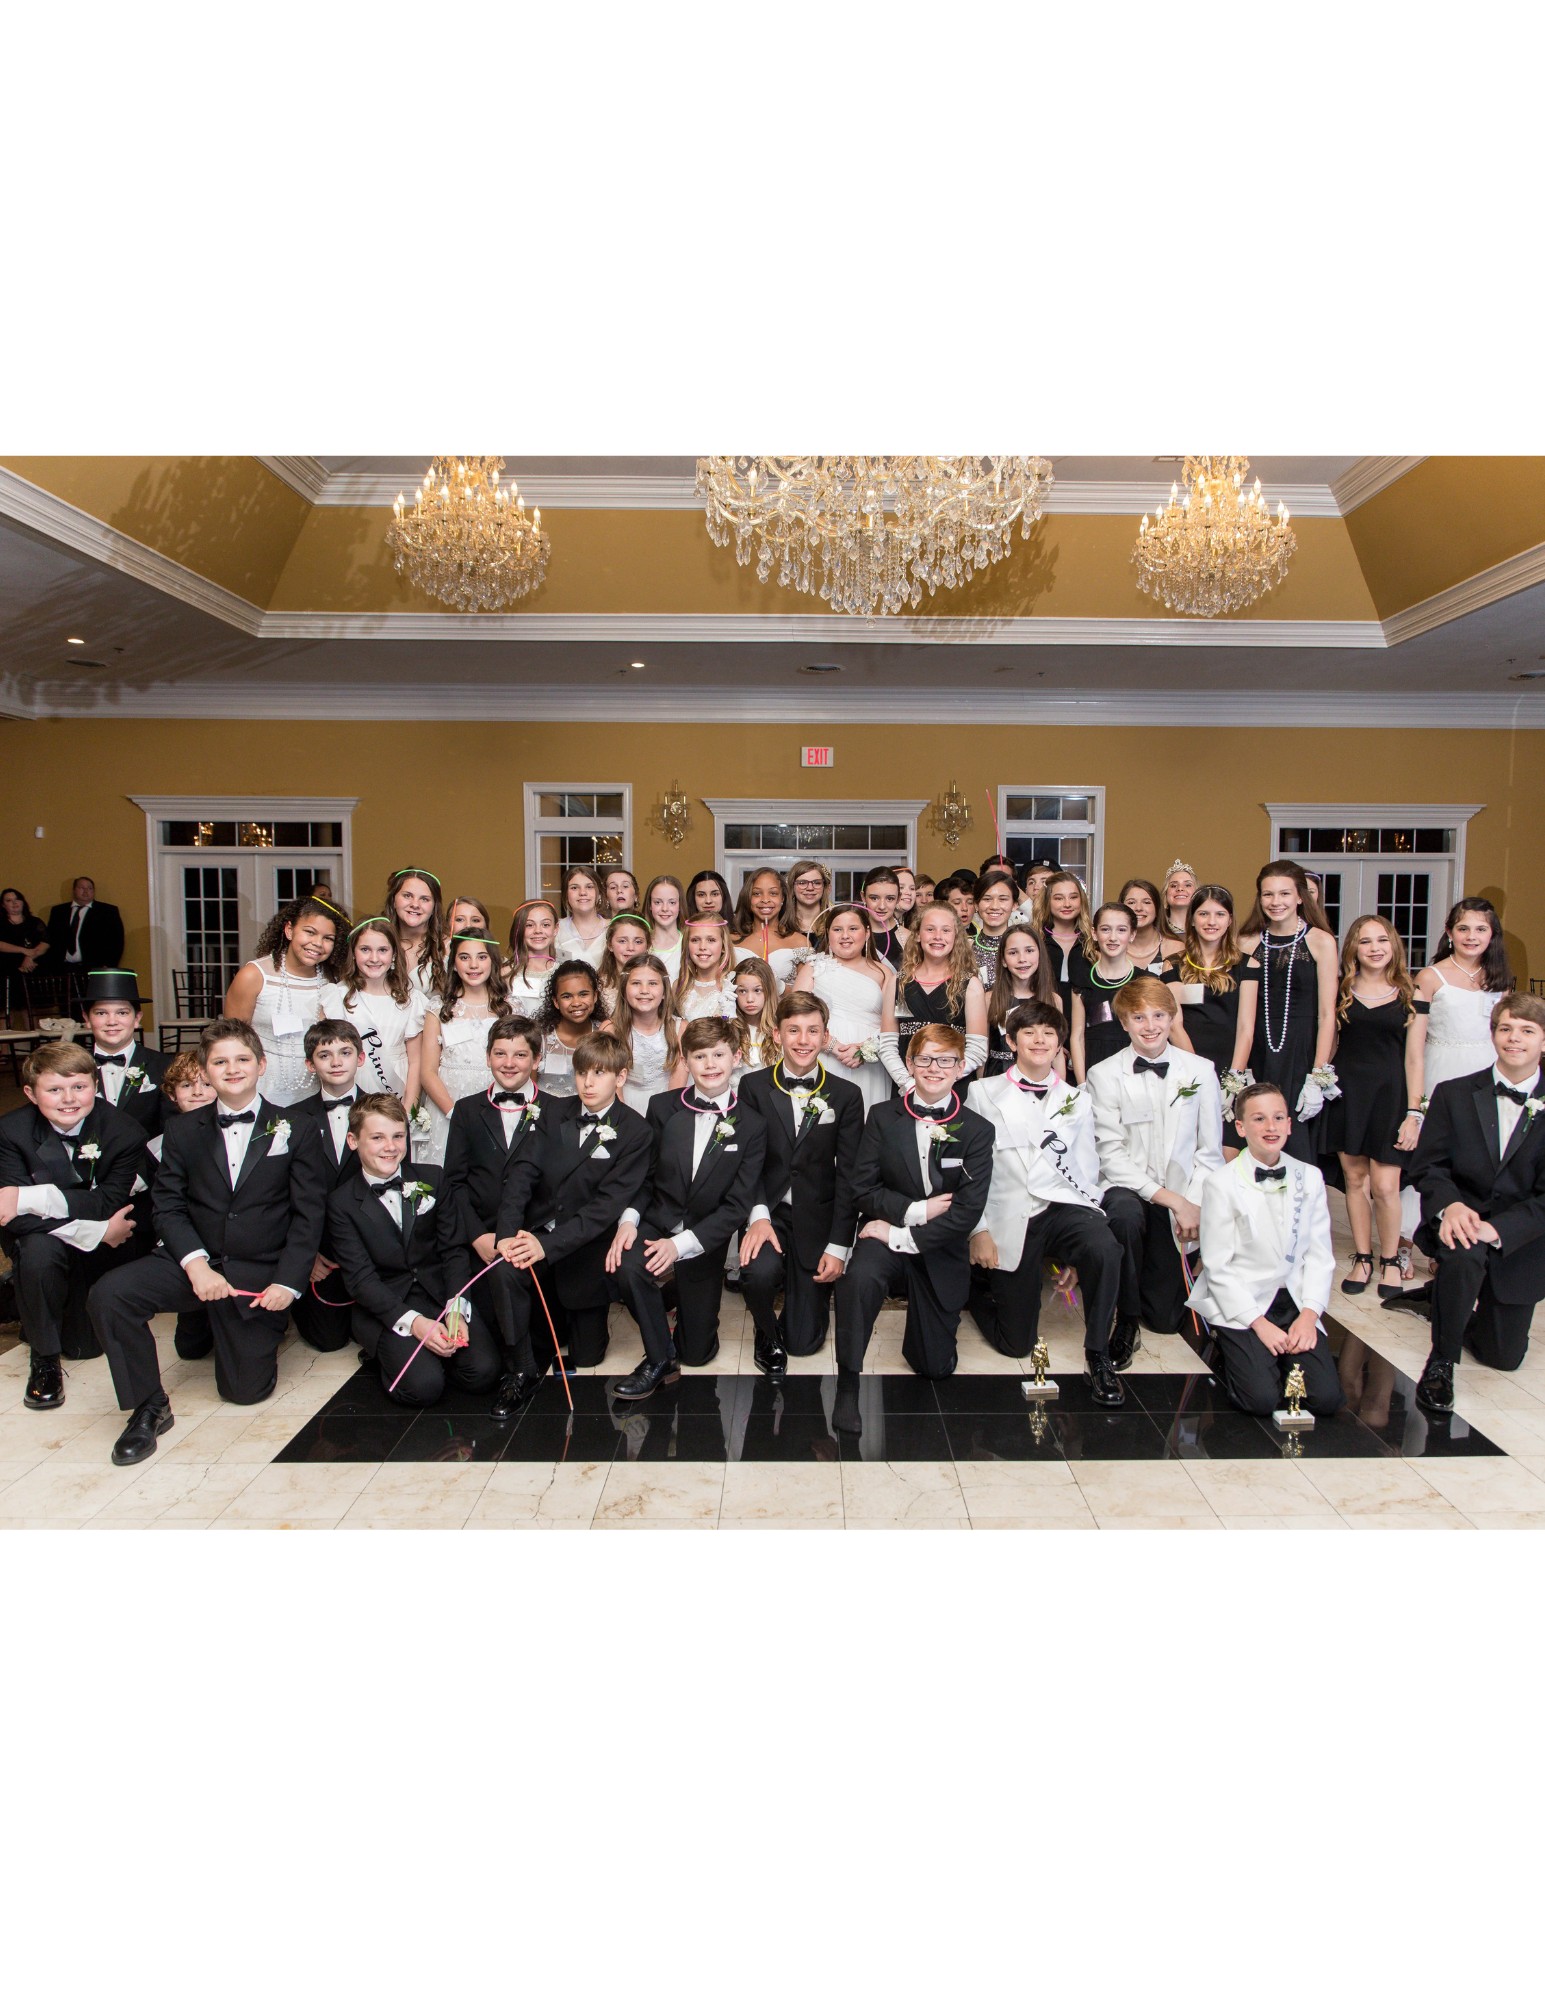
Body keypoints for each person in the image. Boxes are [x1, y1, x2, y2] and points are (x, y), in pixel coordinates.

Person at [88, 1018, 329, 1464]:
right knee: (110, 1295)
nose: (232, 1069)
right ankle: (148, 1406)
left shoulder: (296, 1126)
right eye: (220, 1062)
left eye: (242, 1059)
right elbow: (167, 1206)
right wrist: (196, 1265)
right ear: (206, 1070)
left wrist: (287, 1283)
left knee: (244, 1392)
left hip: (257, 1273)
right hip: (194, 1262)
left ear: (261, 1065)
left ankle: (231, 1327)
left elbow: (308, 1214)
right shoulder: (182, 1130)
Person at [832, 1023, 995, 1432]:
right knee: (859, 1279)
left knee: (935, 1367)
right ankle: (848, 1382)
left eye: (945, 1060)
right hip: (884, 1233)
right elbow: (863, 1190)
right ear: (909, 1063)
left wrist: (902, 1234)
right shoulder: (882, 1117)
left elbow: (965, 1213)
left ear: (960, 1067)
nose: (934, 1068)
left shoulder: (978, 1131)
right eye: (924, 1059)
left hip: (937, 1245)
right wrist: (916, 1211)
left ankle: (924, 1335)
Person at [965, 1000, 1125, 1405]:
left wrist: (1079, 1254)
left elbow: (1086, 1171)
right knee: (1015, 1345)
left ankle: (1098, 1353)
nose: (1039, 1040)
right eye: (1029, 1032)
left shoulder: (1077, 1099)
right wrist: (978, 1229)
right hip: (1009, 1212)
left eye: (1049, 1033)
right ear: (1011, 1041)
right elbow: (967, 1170)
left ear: (1059, 1045)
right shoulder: (983, 1092)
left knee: (1104, 1247)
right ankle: (975, 1291)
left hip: (1060, 1208)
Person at [610, 1016, 768, 1396]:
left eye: (719, 1055)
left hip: (703, 1235)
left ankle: (677, 1295)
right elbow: (646, 1175)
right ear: (685, 1060)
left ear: (736, 1057)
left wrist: (678, 1247)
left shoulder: (752, 1124)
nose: (710, 1064)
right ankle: (659, 1358)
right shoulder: (662, 1107)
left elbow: (737, 1206)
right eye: (699, 1056)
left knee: (696, 1353)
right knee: (626, 1264)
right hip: (659, 1219)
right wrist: (628, 1220)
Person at [494, 1031, 653, 1401]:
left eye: (599, 1073)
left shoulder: (636, 1132)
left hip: (585, 1249)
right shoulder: (552, 1112)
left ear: (621, 1077)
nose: (588, 1083)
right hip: (539, 1232)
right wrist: (506, 1235)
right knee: (506, 1270)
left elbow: (604, 1209)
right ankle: (522, 1369)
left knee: (586, 1355)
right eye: (582, 1072)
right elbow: (522, 1174)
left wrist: (547, 1246)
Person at [1406, 993, 1545, 1413]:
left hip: (1520, 1236)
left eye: (1527, 1030)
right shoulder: (1454, 1093)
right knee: (1464, 1254)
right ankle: (1441, 1361)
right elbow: (1427, 1167)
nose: (1514, 1038)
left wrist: (1497, 1229)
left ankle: (1440, 1300)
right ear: (1493, 1034)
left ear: (1543, 1040)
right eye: (1505, 1028)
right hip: (1460, 1221)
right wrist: (1450, 1206)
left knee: (1503, 1357)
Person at [327, 1095, 500, 1409]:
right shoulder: (341, 1203)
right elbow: (361, 1281)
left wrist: (456, 1308)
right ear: (353, 1141)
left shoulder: (432, 1178)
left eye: (398, 1136)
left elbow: (453, 1250)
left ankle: (432, 1356)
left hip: (439, 1294)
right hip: (387, 1306)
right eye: (377, 1138)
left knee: (484, 1374)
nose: (390, 1147)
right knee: (424, 1389)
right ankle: (390, 1356)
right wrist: (416, 1324)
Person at [1186, 1082, 1344, 1421]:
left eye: (1278, 1118)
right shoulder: (1221, 1183)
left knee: (1327, 1400)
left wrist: (1309, 1316)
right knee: (1260, 1400)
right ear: (1241, 1127)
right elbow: (1217, 1266)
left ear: (1289, 1124)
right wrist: (1259, 1324)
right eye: (1259, 1119)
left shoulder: (1310, 1177)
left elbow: (1320, 1256)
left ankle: (1282, 1355)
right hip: (1243, 1299)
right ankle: (1234, 1348)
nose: (1271, 1127)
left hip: (1293, 1300)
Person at [0, 1042, 145, 1407]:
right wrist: (97, 1229)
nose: (68, 1099)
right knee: (38, 1252)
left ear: (95, 1085)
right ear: (31, 1094)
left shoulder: (123, 1131)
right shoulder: (9, 1131)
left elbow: (111, 1203)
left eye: (79, 1087)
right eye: (54, 1089)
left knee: (84, 1348)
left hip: (103, 1248)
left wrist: (33, 1198)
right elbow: (13, 1217)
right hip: (52, 1238)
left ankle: (18, 1298)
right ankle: (44, 1360)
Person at [1089, 975, 1224, 1365]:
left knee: (1166, 1321)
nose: (1150, 1026)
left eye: (1159, 1015)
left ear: (1172, 1017)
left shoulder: (1201, 1070)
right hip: (1128, 1188)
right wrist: (1172, 1201)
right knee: (1125, 1215)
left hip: (1182, 1192)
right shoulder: (1104, 1074)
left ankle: (1155, 1290)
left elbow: (1210, 1152)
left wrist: (1191, 1204)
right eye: (1139, 1017)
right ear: (1124, 1023)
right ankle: (1126, 1319)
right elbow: (1111, 1156)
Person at [738, 991, 864, 1378]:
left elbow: (850, 1176)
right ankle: (764, 1330)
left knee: (803, 1344)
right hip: (770, 1211)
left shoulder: (847, 1095)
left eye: (813, 1031)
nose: (803, 1040)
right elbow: (748, 1164)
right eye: (793, 1030)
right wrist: (758, 1217)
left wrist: (839, 1246)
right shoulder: (753, 1087)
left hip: (817, 1217)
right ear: (777, 1034)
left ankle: (802, 1307)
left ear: (825, 1037)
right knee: (759, 1273)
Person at [439, 1017, 553, 1408]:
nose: (509, 1063)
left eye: (520, 1054)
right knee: (490, 1315)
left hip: (533, 1234)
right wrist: (477, 1236)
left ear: (536, 1059)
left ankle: (526, 1356)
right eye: (500, 1053)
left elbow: (562, 1183)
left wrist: (537, 1235)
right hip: (485, 1235)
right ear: (487, 1057)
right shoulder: (467, 1110)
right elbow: (454, 1182)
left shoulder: (555, 1109)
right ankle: (521, 1368)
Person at [1320, 916, 1424, 1299]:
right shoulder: (1340, 991)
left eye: (1382, 940)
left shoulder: (1411, 992)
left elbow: (1415, 1058)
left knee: (1385, 1185)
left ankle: (1391, 1260)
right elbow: (1330, 1044)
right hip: (1348, 1095)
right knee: (1355, 1180)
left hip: (1391, 1097)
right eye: (1365, 941)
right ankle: (1363, 1258)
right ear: (1354, 948)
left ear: (1393, 945)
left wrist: (1414, 1112)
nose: (1375, 948)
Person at [1231, 862, 1340, 1165]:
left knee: (1296, 1144)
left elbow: (1327, 1015)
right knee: (1255, 1139)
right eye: (1268, 894)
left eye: (1284, 893)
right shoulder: (1246, 942)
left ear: (1300, 897)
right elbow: (1240, 1011)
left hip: (1301, 1051)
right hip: (1259, 1049)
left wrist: (1318, 1076)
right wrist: (1240, 1069)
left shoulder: (1321, 941)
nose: (1275, 901)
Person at [286, 1019, 366, 1352]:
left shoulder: (384, 1110)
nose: (336, 1062)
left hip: (368, 1246)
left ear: (360, 1058)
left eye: (345, 1052)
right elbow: (283, 1194)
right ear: (310, 1064)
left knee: (367, 1330)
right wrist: (305, 1257)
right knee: (328, 1340)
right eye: (324, 1055)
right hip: (318, 1249)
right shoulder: (291, 1118)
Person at [224, 892, 343, 1106]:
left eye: (328, 938)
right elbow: (231, 1042)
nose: (318, 943)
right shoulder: (254, 976)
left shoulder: (333, 981)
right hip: (261, 1092)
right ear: (289, 930)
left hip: (318, 1094)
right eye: (309, 932)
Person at [793, 904, 895, 1112]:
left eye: (853, 929)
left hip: (868, 1064)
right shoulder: (813, 968)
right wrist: (832, 1045)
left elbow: (893, 1021)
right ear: (828, 933)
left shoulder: (884, 972)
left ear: (867, 932)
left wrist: (865, 1048)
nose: (845, 936)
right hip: (822, 1055)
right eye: (837, 929)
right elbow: (794, 1016)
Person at [317, 917, 428, 1108]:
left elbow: (416, 1062)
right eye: (365, 949)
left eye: (382, 950)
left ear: (394, 954)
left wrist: (409, 1110)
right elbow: (323, 1053)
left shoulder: (411, 999)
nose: (374, 958)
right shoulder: (336, 996)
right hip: (350, 1083)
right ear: (353, 953)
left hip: (397, 1086)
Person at [419, 932, 509, 1164]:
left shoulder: (509, 1007)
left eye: (481, 957)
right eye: (464, 957)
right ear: (453, 964)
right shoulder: (438, 1008)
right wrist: (455, 1114)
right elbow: (427, 1072)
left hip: (497, 1105)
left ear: (493, 961)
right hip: (449, 1106)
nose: (473, 965)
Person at [883, 900, 989, 1090]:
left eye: (946, 930)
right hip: (908, 1087)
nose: (938, 936)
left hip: (954, 1086)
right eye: (930, 929)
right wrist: (908, 1084)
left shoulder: (970, 985)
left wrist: (942, 1079)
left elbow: (978, 1049)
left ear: (956, 936)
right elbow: (888, 1045)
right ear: (917, 934)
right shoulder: (899, 983)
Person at [1162, 885, 1243, 1080]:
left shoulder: (1246, 965)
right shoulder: (1173, 964)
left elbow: (1246, 1028)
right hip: (1186, 1065)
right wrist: (1198, 1072)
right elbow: (1174, 1025)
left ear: (1230, 920)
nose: (1211, 921)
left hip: (1231, 1065)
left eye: (1220, 914)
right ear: (1191, 919)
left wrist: (1234, 1077)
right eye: (1203, 914)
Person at [81, 968, 168, 1136]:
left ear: (137, 1019)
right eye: (101, 1013)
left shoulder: (164, 1066)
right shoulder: (71, 1067)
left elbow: (171, 1127)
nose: (112, 1021)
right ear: (87, 1019)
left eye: (122, 1013)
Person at [1070, 901, 1142, 1082]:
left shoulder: (1145, 981)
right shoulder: (1082, 982)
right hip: (1095, 1064)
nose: (1113, 937)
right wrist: (1082, 1083)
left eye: (1121, 930)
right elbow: (1077, 1037)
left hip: (1135, 1066)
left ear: (1132, 934)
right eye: (1105, 929)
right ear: (1094, 933)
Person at [605, 955, 685, 1112]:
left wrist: (664, 1118)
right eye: (636, 983)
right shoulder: (611, 1029)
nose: (644, 990)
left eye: (653, 983)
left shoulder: (679, 1029)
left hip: (667, 1105)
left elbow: (677, 1086)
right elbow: (611, 1082)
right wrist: (624, 1119)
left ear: (664, 991)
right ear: (624, 989)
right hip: (623, 1105)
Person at [983, 923, 1062, 1079]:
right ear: (1003, 960)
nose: (1022, 959)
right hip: (998, 1076)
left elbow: (1057, 1055)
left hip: (1041, 1076)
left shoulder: (1053, 1000)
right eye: (1013, 953)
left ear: (1039, 954)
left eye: (1029, 951)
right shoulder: (989, 999)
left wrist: (1060, 1089)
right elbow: (982, 1051)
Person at [534, 959, 606, 1097]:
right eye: (567, 996)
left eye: (583, 994)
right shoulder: (541, 1037)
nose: (576, 1003)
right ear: (556, 1001)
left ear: (595, 996)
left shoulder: (604, 1033)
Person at [46, 877, 124, 996]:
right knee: (66, 1002)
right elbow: (51, 938)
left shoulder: (107, 911)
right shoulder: (59, 911)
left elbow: (117, 941)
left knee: (92, 1001)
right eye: (81, 887)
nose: (86, 891)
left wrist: (108, 965)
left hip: (94, 969)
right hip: (64, 969)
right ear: (74, 890)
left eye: (90, 888)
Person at [731, 867, 807, 986]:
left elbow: (806, 993)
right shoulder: (730, 940)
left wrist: (779, 987)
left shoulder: (800, 942)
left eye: (773, 893)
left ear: (782, 898)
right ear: (748, 898)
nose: (765, 900)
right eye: (757, 893)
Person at [1034, 870, 1095, 1015]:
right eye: (1059, 898)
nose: (1067, 904)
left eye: (1073, 897)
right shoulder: (1036, 940)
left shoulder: (1093, 941)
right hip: (1042, 1018)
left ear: (1081, 900)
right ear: (1048, 901)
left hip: (1086, 1021)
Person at [383, 868, 447, 999]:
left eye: (424, 899)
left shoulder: (449, 948)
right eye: (407, 896)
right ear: (393, 900)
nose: (415, 904)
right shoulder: (376, 943)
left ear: (434, 906)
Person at [674, 914, 739, 1022]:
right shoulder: (679, 986)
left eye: (711, 940)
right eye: (695, 940)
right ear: (687, 945)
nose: (702, 947)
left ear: (723, 945)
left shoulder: (732, 985)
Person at [505, 899, 559, 1013]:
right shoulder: (505, 973)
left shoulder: (563, 972)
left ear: (555, 929)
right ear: (519, 930)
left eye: (545, 925)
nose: (538, 931)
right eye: (529, 925)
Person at [0, 887, 49, 1011]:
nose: (14, 903)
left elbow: (46, 942)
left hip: (31, 968)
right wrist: (24, 950)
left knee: (30, 1008)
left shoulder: (34, 922)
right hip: (6, 970)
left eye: (17, 899)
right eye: (9, 900)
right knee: (6, 1009)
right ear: (3, 905)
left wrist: (29, 957)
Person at [968, 868, 1020, 984]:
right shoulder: (965, 950)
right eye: (987, 899)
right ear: (976, 905)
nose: (994, 906)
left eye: (1003, 899)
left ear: (1014, 905)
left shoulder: (1025, 948)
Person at [730, 957, 780, 1076]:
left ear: (769, 991)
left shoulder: (781, 1030)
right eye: (742, 991)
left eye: (757, 990)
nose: (750, 999)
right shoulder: (729, 1028)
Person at [596, 913, 653, 1013]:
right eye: (622, 941)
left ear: (647, 946)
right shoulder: (599, 984)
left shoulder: (657, 980)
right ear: (610, 945)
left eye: (638, 942)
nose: (630, 948)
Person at [554, 864, 608, 967]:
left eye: (589, 887)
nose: (583, 892)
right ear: (566, 895)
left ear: (599, 894)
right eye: (574, 888)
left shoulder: (613, 928)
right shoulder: (556, 929)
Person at [1118, 878, 1173, 971]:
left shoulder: (1175, 948)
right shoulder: (1109, 947)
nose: (1138, 908)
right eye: (1131, 902)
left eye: (1146, 902)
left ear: (1157, 908)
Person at [641, 873, 686, 982]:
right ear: (650, 905)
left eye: (672, 902)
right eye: (658, 902)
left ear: (680, 905)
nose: (665, 908)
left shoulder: (688, 944)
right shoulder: (640, 944)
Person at [862, 866, 906, 973]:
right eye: (874, 898)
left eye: (890, 899)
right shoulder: (851, 936)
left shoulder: (908, 939)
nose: (882, 906)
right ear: (863, 897)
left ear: (898, 898)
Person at [784, 861, 831, 943]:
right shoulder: (781, 922)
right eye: (802, 883)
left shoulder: (834, 921)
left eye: (817, 883)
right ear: (792, 887)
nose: (810, 888)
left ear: (825, 887)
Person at [1159, 860, 1199, 945]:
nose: (1180, 888)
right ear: (1166, 893)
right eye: (1174, 885)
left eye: (1187, 885)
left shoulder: (1204, 929)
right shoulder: (1156, 931)